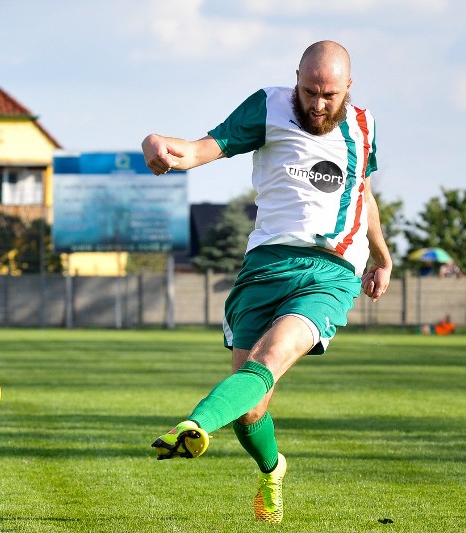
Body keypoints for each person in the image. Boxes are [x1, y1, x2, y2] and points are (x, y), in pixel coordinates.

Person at [142, 40, 392, 524]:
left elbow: (362, 193)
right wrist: (159, 145)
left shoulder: (365, 126)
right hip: (266, 267)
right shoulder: (267, 106)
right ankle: (273, 469)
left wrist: (380, 255)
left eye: (329, 95)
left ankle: (193, 424)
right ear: (295, 76)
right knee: (251, 408)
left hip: (332, 268)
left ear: (349, 88)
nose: (318, 104)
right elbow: (200, 149)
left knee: (269, 359)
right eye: (309, 90)